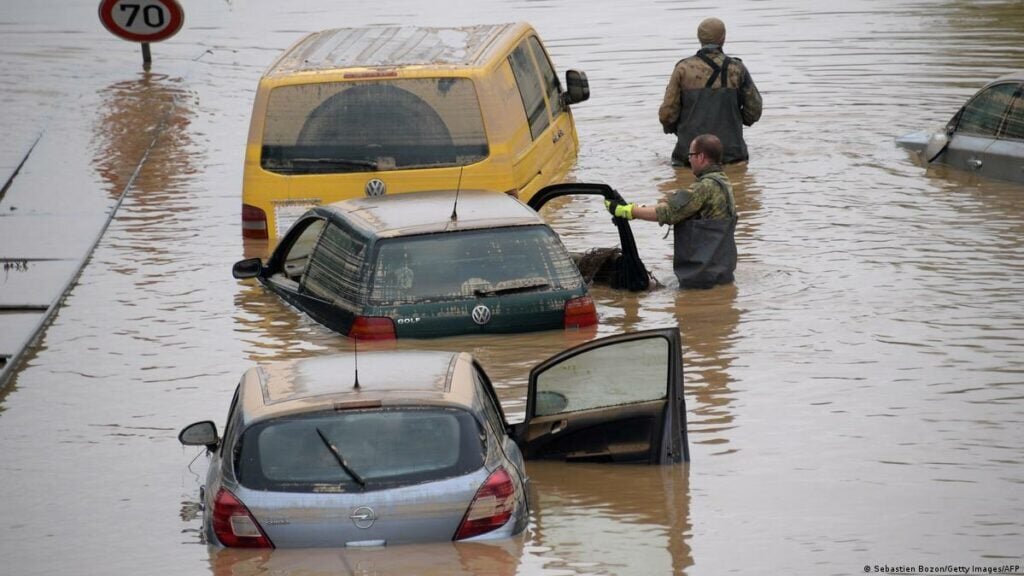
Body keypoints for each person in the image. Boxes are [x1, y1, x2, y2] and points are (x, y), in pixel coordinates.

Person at [607, 134, 737, 289]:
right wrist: (636, 208)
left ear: (701, 157)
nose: (689, 159)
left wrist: (629, 212)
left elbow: (668, 213)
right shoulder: (723, 181)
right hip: (722, 271)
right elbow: (673, 206)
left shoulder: (704, 187)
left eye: (691, 155)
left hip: (701, 277)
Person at [659, 17, 762, 166]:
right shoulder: (737, 69)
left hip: (690, 157)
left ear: (699, 38)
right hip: (732, 155)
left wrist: (676, 129)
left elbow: (667, 114)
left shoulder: (683, 69)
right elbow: (754, 111)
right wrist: (736, 121)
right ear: (723, 38)